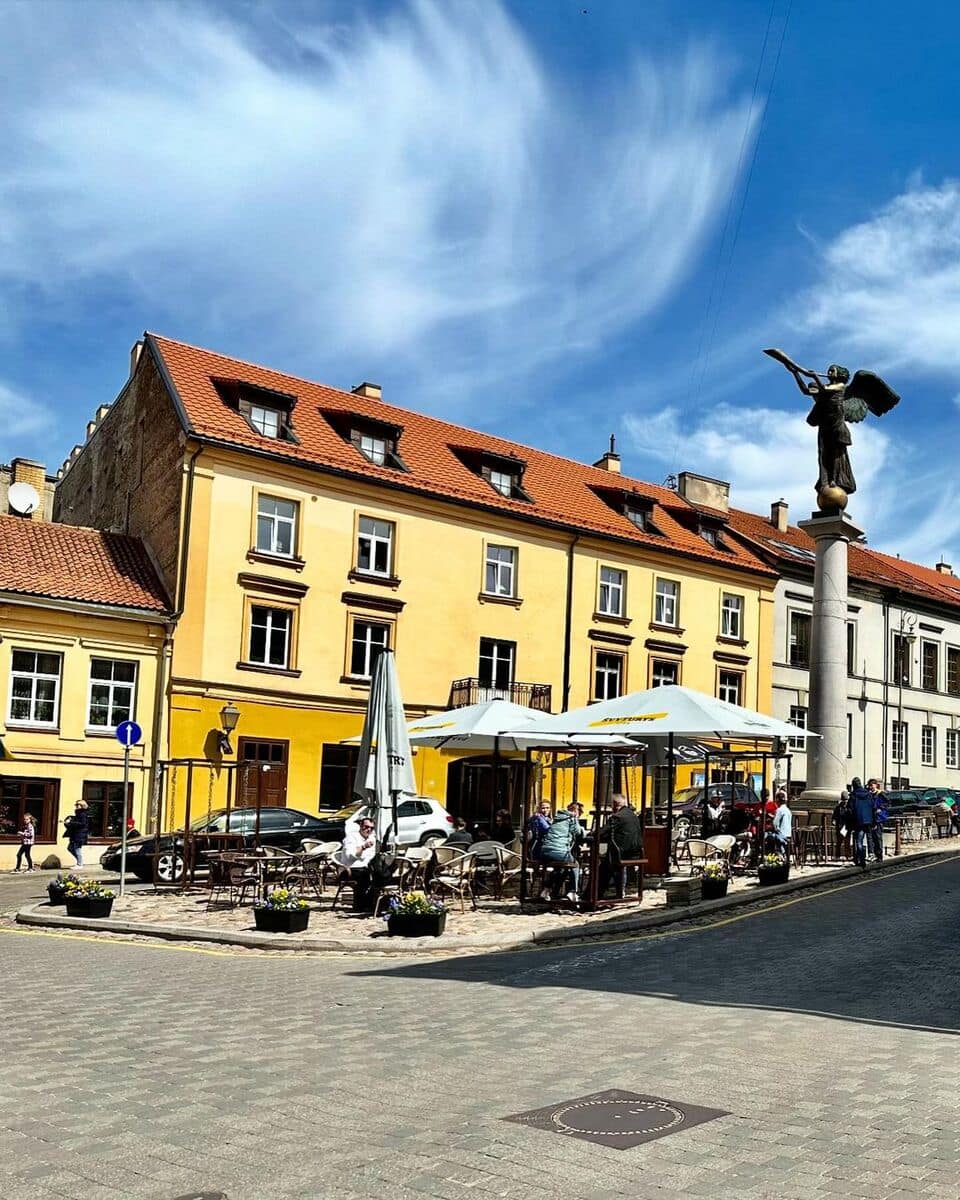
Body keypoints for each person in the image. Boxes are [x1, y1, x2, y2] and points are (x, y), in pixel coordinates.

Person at [598, 794, 644, 898]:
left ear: (615, 804)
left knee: (607, 867)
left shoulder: (617, 817)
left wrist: (592, 834)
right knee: (606, 866)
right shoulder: (633, 816)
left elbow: (602, 832)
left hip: (621, 853)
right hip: (636, 852)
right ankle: (601, 893)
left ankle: (595, 894)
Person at [536, 806, 584, 902]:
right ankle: (572, 892)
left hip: (544, 851)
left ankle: (546, 890)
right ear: (575, 812)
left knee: (560, 868)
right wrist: (580, 826)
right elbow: (578, 832)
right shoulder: (572, 818)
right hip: (558, 852)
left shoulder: (557, 818)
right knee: (575, 865)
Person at [334, 816, 378, 911]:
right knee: (364, 875)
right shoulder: (352, 837)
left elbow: (371, 856)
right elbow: (350, 856)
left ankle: (373, 904)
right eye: (366, 827)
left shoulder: (372, 839)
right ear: (361, 826)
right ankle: (359, 906)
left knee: (381, 875)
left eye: (371, 828)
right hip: (348, 869)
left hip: (365, 867)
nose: (369, 830)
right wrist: (363, 847)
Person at [849, 778, 876, 868]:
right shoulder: (868, 794)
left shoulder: (853, 795)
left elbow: (850, 810)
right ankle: (864, 856)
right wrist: (874, 822)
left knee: (859, 841)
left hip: (858, 821)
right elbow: (873, 808)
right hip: (868, 821)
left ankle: (861, 859)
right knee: (867, 839)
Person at [64, 800, 89, 868]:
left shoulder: (83, 814)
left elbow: (82, 824)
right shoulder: (78, 813)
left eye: (78, 805)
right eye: (76, 805)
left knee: (77, 849)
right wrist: (69, 821)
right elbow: (76, 822)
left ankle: (79, 864)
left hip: (80, 834)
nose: (76, 806)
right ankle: (80, 862)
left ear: (82, 805)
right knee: (70, 848)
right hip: (75, 834)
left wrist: (71, 822)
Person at [868, 778, 887, 862]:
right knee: (871, 837)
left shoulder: (881, 794)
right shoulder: (869, 794)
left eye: (872, 785)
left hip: (878, 818)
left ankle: (879, 855)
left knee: (878, 837)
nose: (870, 787)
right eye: (869, 786)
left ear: (875, 785)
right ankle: (873, 854)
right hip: (871, 818)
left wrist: (881, 808)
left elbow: (887, 803)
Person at [771, 790, 792, 856]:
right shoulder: (788, 810)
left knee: (768, 837)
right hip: (788, 834)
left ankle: (777, 854)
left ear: (777, 800)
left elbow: (775, 824)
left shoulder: (779, 810)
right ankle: (783, 854)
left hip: (781, 835)